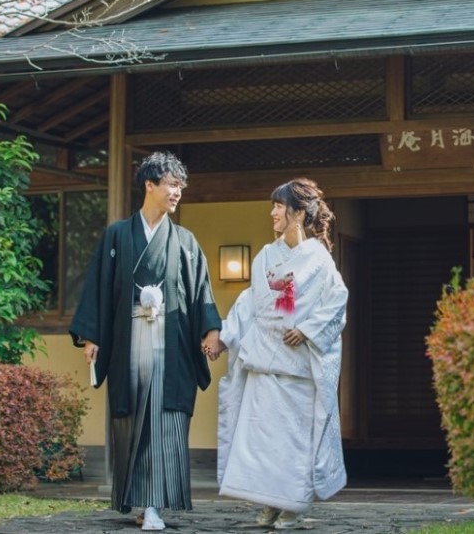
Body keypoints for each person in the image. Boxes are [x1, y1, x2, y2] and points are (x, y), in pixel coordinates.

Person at [69, 151, 222, 532]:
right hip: (128, 340)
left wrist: (211, 330)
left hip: (171, 345)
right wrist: (92, 335)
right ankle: (138, 500)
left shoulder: (184, 240)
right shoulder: (117, 235)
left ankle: (154, 504)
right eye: (171, 184)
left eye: (181, 187)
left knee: (163, 418)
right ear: (149, 185)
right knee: (132, 417)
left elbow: (200, 290)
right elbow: (101, 288)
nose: (177, 192)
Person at [217, 177, 349, 530]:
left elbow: (337, 301)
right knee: (264, 441)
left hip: (297, 368)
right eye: (273, 205)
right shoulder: (267, 256)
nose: (272, 212)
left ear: (298, 212)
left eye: (279, 205)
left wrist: (306, 329)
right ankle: (268, 503)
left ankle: (292, 505)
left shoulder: (318, 259)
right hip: (265, 362)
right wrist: (225, 335)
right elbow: (253, 303)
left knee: (293, 443)